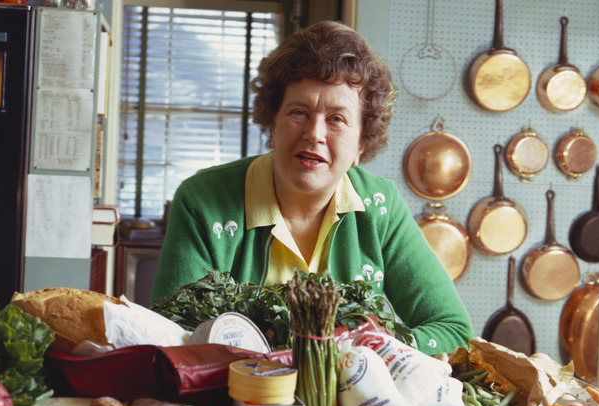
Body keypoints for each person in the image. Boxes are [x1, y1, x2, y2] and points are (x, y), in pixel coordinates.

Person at [150, 21, 472, 355]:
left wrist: (373, 347)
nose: (314, 133)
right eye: (299, 112)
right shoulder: (203, 199)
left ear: (362, 142)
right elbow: (170, 333)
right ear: (273, 124)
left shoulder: (381, 207)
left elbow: (453, 330)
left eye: (337, 119)